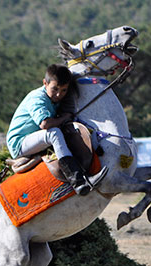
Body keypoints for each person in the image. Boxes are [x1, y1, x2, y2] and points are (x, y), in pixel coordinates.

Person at [6, 64, 108, 196]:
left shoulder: (59, 98)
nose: (59, 94)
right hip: (19, 144)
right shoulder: (37, 98)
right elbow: (45, 124)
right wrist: (65, 117)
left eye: (64, 90)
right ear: (45, 83)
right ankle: (77, 180)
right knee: (54, 133)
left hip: (37, 138)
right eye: (55, 89)